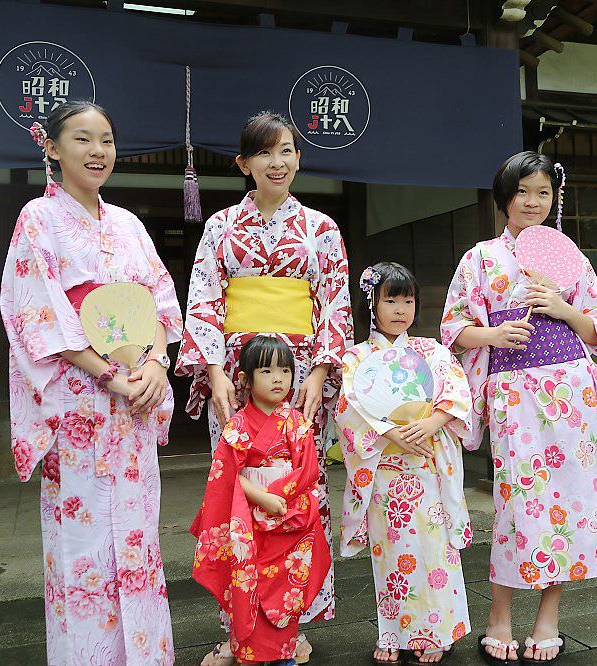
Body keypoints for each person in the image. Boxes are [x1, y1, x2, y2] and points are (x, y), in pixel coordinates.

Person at [0, 100, 182, 665]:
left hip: (131, 405)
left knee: (137, 542)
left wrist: (153, 364)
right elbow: (36, 313)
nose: (98, 150)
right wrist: (107, 372)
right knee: (84, 552)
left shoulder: (127, 224)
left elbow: (160, 300)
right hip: (78, 403)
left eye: (106, 139)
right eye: (82, 139)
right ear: (51, 148)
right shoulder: (38, 218)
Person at [175, 110, 352, 664]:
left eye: (288, 151)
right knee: (239, 495)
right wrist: (214, 373)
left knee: (298, 496)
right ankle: (239, 629)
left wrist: (319, 374)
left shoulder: (322, 228)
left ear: (299, 157)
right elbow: (203, 298)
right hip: (235, 377)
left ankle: (289, 625)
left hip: (300, 378)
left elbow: (335, 303)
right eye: (265, 153)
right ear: (244, 164)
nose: (278, 162)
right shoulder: (221, 226)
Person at [440, 151, 597, 665]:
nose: (533, 202)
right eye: (523, 191)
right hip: (513, 390)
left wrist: (564, 308)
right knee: (516, 502)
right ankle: (499, 615)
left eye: (543, 193)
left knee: (570, 498)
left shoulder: (570, 256)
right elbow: (452, 330)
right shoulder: (480, 258)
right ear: (505, 197)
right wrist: (496, 333)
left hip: (570, 390)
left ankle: (549, 616)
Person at [335, 262, 473, 665]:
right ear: (372, 305)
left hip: (427, 465)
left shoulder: (432, 351)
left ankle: (436, 632)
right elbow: (348, 408)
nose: (400, 309)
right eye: (389, 300)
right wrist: (389, 432)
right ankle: (392, 632)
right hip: (386, 471)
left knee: (434, 550)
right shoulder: (356, 358)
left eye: (408, 300)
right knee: (390, 555)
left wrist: (432, 421)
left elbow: (456, 393)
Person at [191, 335, 331, 666]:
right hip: (250, 522)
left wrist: (279, 502)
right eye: (267, 371)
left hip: (289, 521)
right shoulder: (238, 424)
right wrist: (263, 499)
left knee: (287, 589)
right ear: (245, 379)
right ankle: (249, 654)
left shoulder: (297, 423)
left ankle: (284, 655)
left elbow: (307, 471)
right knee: (247, 587)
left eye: (285, 370)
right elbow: (226, 473)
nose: (278, 378)